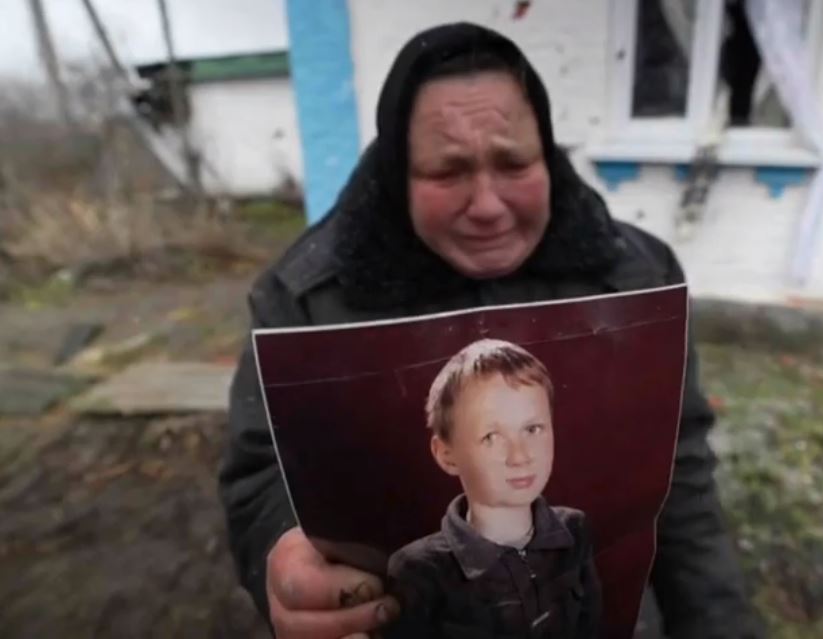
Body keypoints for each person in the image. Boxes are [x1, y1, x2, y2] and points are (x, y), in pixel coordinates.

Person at [219, 22, 762, 639]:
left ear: (549, 155)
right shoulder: (305, 298)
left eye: (513, 163)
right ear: (399, 173)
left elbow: (680, 478)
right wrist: (279, 554)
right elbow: (261, 474)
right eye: (448, 172)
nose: (487, 203)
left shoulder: (636, 278)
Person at [385, 339, 600, 638]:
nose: (520, 456)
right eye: (491, 437)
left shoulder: (574, 531)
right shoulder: (420, 571)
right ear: (446, 454)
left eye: (532, 429)